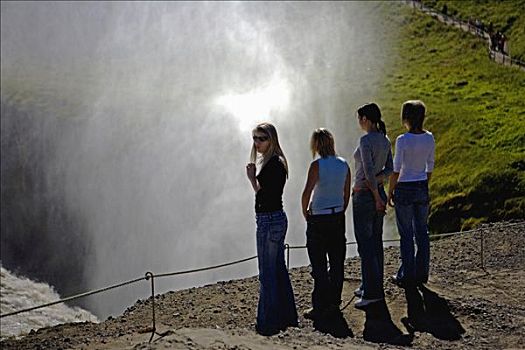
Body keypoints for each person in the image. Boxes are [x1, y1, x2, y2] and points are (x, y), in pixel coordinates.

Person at [246, 122, 298, 336]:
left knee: (267, 273)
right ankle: (287, 316)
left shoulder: (273, 163)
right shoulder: (276, 162)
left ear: (272, 140)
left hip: (269, 221)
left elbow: (264, 196)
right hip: (275, 219)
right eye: (255, 138)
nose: (257, 143)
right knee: (277, 269)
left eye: (261, 138)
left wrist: (251, 179)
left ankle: (267, 322)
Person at [301, 128, 351, 320]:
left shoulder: (317, 165)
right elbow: (346, 194)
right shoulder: (344, 164)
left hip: (318, 218)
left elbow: (307, 193)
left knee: (319, 264)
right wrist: (340, 210)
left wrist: (306, 213)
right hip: (337, 216)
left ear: (316, 145)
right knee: (337, 262)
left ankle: (319, 306)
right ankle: (334, 303)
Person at [387, 100, 435, 288]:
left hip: (404, 187)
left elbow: (397, 169)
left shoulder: (402, 140)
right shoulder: (429, 137)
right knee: (422, 232)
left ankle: (407, 275)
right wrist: (424, 182)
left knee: (406, 234)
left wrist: (391, 190)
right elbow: (430, 164)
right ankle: (422, 273)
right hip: (421, 184)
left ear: (405, 117)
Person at [352, 103, 393, 309]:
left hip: (366, 196)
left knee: (365, 245)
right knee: (376, 243)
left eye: (359, 118)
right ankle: (370, 285)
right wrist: (379, 185)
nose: (358, 122)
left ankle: (372, 294)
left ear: (366, 119)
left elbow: (367, 173)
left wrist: (375, 194)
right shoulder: (385, 139)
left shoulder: (366, 140)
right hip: (379, 194)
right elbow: (390, 169)